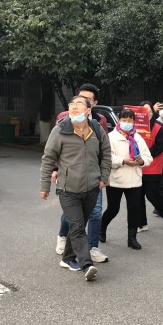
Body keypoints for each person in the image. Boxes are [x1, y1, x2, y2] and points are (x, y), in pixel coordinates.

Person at [40, 95, 111, 282]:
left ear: (88, 110)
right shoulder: (60, 130)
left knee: (77, 225)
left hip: (92, 188)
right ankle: (86, 265)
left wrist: (103, 177)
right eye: (71, 104)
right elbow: (48, 158)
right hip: (67, 189)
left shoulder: (96, 129)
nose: (74, 106)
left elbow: (106, 153)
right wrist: (44, 186)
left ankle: (67, 258)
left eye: (79, 103)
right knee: (78, 226)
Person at [54, 83, 109, 264]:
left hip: (93, 176)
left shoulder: (99, 121)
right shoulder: (64, 117)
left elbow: (104, 148)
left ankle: (92, 248)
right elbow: (56, 147)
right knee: (73, 215)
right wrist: (56, 169)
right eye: (78, 99)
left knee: (95, 212)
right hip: (70, 178)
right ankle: (64, 237)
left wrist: (104, 174)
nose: (78, 104)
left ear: (93, 104)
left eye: (86, 100)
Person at [100, 108, 153, 250]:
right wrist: (123, 161)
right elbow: (107, 158)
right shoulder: (111, 137)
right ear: (119, 120)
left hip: (134, 180)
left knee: (134, 209)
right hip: (116, 180)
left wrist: (141, 161)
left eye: (130, 120)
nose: (127, 123)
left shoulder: (138, 137)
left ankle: (132, 238)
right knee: (113, 209)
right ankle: (101, 228)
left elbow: (148, 157)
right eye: (124, 120)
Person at [136, 102, 163, 233]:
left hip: (153, 165)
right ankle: (142, 223)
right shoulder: (134, 127)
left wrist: (145, 155)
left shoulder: (158, 126)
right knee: (138, 197)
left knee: (152, 194)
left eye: (149, 111)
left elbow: (160, 146)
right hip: (137, 166)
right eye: (144, 111)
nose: (147, 114)